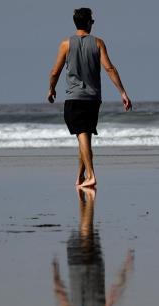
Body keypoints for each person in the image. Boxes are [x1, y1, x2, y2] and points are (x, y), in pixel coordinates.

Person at [48, 8, 132, 188]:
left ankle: (91, 175)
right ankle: (80, 177)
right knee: (84, 136)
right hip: (93, 99)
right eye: (92, 21)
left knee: (82, 135)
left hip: (74, 98)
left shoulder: (66, 44)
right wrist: (123, 93)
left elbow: (55, 71)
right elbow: (110, 69)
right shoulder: (98, 43)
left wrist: (51, 89)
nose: (92, 24)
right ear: (87, 22)